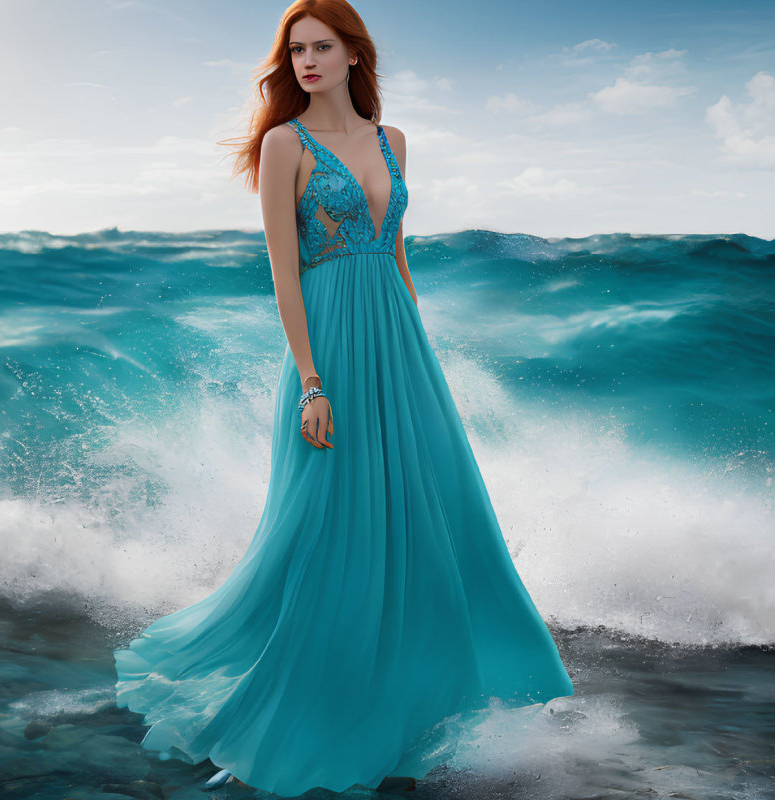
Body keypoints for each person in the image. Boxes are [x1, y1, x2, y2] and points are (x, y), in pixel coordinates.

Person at [112, 0, 575, 795]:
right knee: (335, 516)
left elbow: (395, 253)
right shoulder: (283, 145)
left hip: (399, 346)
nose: (308, 62)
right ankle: (324, 693)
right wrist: (312, 383)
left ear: (354, 55)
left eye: (322, 47)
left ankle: (430, 680)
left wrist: (416, 347)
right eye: (296, 51)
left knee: (436, 506)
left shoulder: (394, 143)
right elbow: (284, 272)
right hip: (329, 348)